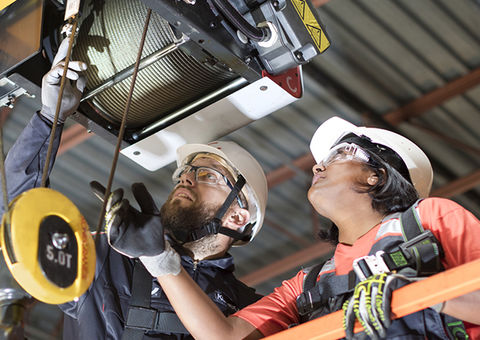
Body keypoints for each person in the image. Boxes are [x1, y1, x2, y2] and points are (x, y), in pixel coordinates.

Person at [110, 116, 480, 339]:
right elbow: (226, 336)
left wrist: (413, 296)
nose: (318, 167)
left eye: (339, 155)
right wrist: (159, 258)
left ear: (375, 176)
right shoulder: (309, 284)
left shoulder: (429, 219)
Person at [0, 38, 268, 339]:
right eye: (185, 172)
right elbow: (22, 216)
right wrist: (51, 117)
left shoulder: (249, 311)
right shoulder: (104, 256)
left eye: (207, 175)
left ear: (237, 218)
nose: (186, 178)